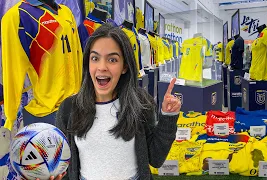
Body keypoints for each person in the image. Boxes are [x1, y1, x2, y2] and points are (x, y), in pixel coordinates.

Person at [53, 23, 181, 180]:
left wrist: (168, 116)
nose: (102, 67)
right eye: (95, 58)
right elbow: (64, 166)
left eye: (112, 60)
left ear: (125, 66)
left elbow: (156, 158)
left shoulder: (140, 103)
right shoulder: (69, 109)